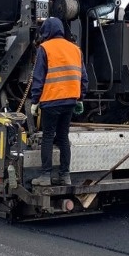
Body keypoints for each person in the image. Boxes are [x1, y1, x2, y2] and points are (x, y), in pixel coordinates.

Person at [30, 16, 89, 187]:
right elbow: (83, 77)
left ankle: (46, 175)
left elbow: (38, 77)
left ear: (47, 31)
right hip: (70, 100)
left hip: (51, 100)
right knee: (63, 136)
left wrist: (35, 100)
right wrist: (80, 98)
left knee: (48, 136)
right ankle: (65, 175)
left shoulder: (45, 48)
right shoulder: (75, 49)